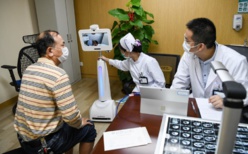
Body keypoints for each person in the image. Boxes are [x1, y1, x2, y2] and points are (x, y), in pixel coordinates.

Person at [14, 30, 96, 154]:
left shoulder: (29, 69)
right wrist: (80, 122)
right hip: (42, 146)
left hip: (23, 139)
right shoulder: (58, 75)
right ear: (50, 51)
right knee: (89, 128)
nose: (65, 49)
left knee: (66, 126)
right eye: (62, 45)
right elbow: (71, 116)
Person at [171, 17, 248, 109]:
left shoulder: (236, 60)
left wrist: (226, 101)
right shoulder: (189, 55)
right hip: (196, 107)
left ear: (200, 47)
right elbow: (179, 83)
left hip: (222, 112)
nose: (184, 43)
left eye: (187, 40)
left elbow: (245, 93)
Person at [100, 33, 165, 93]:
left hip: (153, 92)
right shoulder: (130, 61)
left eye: (121, 51)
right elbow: (120, 64)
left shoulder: (149, 61)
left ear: (127, 51)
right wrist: (106, 59)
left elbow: (161, 83)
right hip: (138, 90)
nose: (121, 53)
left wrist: (147, 93)